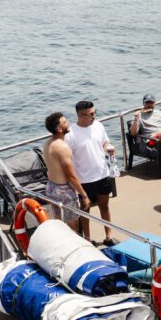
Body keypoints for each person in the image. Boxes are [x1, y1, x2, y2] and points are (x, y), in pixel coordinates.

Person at [66, 101, 118, 246]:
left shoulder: (98, 125)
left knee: (105, 206)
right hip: (84, 179)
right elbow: (67, 159)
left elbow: (104, 143)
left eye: (94, 113)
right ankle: (87, 239)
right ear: (80, 115)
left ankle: (109, 236)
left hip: (102, 174)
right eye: (91, 114)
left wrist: (109, 148)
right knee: (85, 210)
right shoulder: (70, 134)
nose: (94, 116)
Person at [43, 112, 90, 231]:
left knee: (60, 222)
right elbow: (71, 177)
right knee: (73, 224)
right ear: (59, 128)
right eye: (64, 122)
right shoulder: (62, 147)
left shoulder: (47, 143)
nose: (68, 123)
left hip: (51, 187)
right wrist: (84, 196)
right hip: (64, 191)